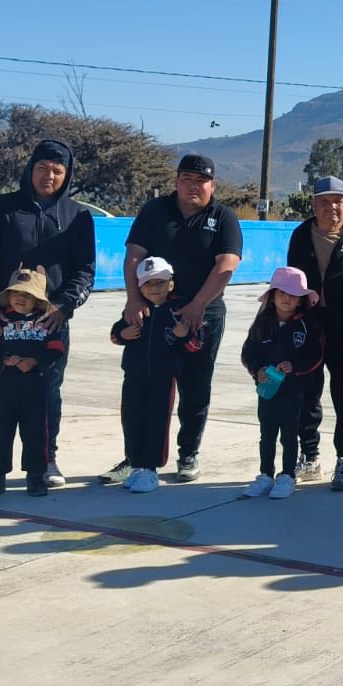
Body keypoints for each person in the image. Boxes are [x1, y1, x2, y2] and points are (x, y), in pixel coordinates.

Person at [0, 139, 96, 492]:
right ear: (30, 168)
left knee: (47, 392)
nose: (50, 176)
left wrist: (63, 307)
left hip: (50, 322)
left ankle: (46, 459)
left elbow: (85, 270)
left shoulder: (78, 216)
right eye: (43, 168)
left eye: (58, 171)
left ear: (67, 175)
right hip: (5, 321)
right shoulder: (0, 208)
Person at [102, 154, 242, 485]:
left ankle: (188, 452)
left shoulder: (223, 217)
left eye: (200, 181)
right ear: (176, 181)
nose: (193, 186)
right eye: (186, 179)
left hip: (202, 313)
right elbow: (134, 255)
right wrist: (133, 299)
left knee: (195, 386)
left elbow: (226, 265)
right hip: (153, 310)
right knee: (140, 388)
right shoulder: (155, 211)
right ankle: (135, 457)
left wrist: (196, 305)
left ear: (213, 185)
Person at [285, 175, 343, 490]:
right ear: (314, 205)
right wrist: (308, 311)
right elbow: (291, 280)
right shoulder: (299, 235)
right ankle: (310, 457)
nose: (331, 207)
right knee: (307, 391)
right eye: (324, 202)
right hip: (307, 326)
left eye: (337, 201)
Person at [108, 256, 203, 493]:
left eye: (161, 282)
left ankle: (151, 469)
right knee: (131, 421)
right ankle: (137, 464)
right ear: (139, 286)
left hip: (162, 379)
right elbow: (115, 333)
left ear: (171, 283)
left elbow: (196, 345)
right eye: (149, 284)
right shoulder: (136, 309)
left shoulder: (179, 309)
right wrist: (123, 334)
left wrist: (183, 335)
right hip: (134, 376)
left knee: (156, 422)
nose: (155, 288)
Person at [0, 266, 68, 499]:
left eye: (27, 295)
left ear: (37, 299)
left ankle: (36, 477)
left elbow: (57, 350)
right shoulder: (2, 319)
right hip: (5, 385)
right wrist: (4, 359)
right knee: (1, 432)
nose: (20, 298)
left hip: (36, 385)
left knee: (36, 432)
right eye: (16, 293)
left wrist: (35, 361)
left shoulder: (46, 321)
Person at [238, 267, 323, 502]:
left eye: (294, 295)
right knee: (266, 435)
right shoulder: (262, 323)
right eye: (282, 293)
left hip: (294, 392)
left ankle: (287, 475)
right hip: (267, 391)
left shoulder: (307, 324)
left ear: (302, 299)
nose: (287, 299)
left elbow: (315, 355)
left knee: (289, 435)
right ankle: (265, 474)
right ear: (272, 295)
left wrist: (294, 366)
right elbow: (248, 352)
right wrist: (258, 370)